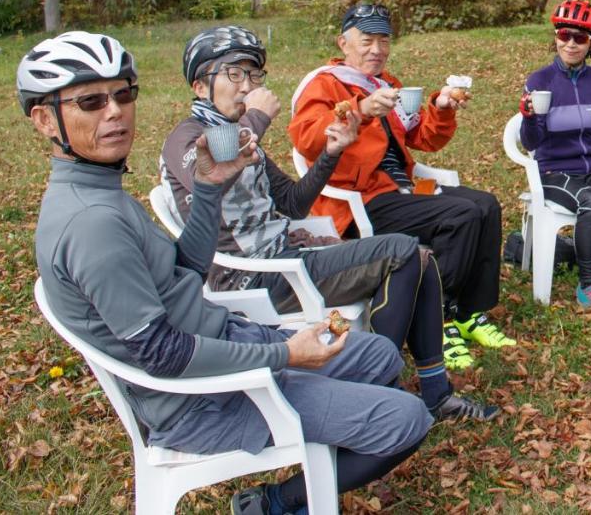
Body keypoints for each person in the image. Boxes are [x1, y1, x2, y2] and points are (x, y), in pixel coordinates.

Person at [23, 31, 432, 515]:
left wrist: (209, 189)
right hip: (202, 400)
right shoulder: (90, 223)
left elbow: (186, 270)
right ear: (46, 119)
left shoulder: (101, 194)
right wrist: (284, 352)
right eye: (90, 102)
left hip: (225, 340)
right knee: (407, 418)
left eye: (123, 94)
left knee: (380, 355)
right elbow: (161, 353)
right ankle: (274, 502)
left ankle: (330, 436)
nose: (114, 112)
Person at [161, 25, 496, 421]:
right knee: (403, 249)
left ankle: (436, 394)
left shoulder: (243, 137)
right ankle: (377, 389)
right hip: (252, 275)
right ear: (201, 86)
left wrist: (333, 152)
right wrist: (255, 117)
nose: (247, 85)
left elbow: (293, 202)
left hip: (287, 255)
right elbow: (212, 172)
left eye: (253, 75)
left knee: (419, 257)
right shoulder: (187, 138)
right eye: (234, 74)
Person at [289, 3, 513, 372]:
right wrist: (359, 110)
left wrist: (441, 107)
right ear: (343, 41)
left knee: (485, 205)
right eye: (367, 41)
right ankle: (437, 320)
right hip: (361, 199)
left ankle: (469, 313)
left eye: (384, 41)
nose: (376, 49)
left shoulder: (387, 84)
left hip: (403, 188)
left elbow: (423, 138)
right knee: (461, 215)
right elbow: (308, 139)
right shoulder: (324, 84)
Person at [519, 0, 591, 309]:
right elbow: (530, 144)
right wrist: (529, 116)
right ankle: (588, 284)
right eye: (564, 35)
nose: (570, 44)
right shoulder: (539, 81)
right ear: (556, 36)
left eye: (580, 38)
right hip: (554, 170)